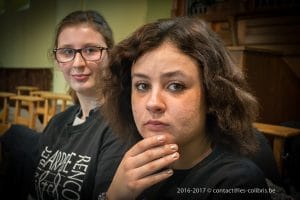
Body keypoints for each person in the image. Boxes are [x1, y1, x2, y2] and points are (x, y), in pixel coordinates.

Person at [100, 16, 272, 199]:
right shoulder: (131, 166)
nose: (152, 103)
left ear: (213, 95)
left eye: (175, 86)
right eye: (142, 86)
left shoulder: (238, 183)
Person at [29, 10, 128, 200]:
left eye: (90, 50)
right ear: (57, 59)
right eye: (67, 51)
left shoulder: (121, 126)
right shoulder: (57, 122)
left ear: (110, 55)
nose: (78, 63)